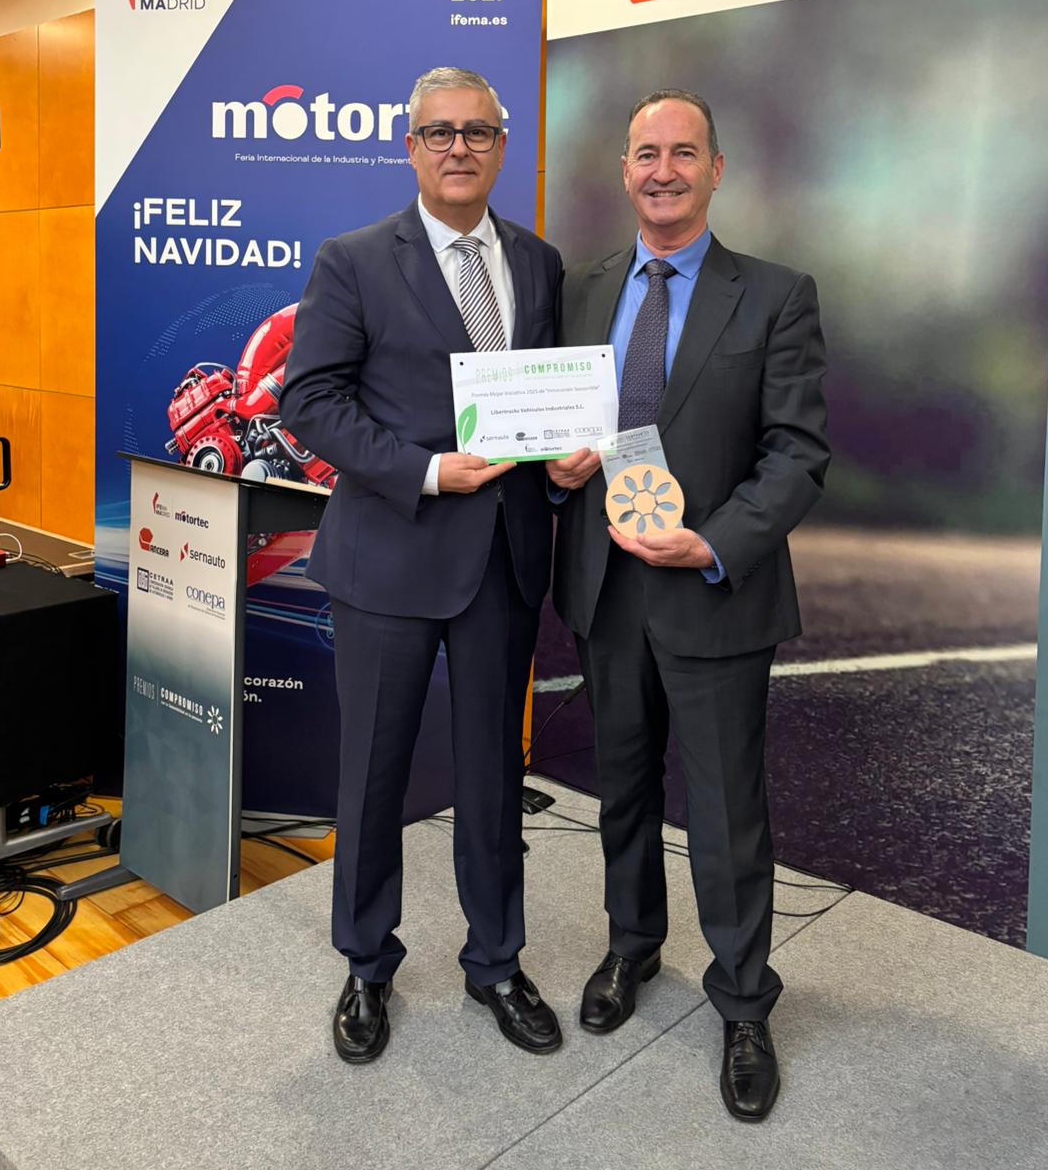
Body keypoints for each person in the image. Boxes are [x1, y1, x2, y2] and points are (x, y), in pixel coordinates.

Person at [546, 88, 829, 1122]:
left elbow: (798, 452)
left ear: (716, 169)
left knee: (725, 810)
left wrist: (715, 541)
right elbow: (557, 432)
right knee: (621, 792)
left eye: (682, 152)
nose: (661, 170)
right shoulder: (581, 291)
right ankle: (632, 947)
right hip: (608, 589)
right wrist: (556, 474)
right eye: (645, 153)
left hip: (714, 591)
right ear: (624, 170)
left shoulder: (777, 295)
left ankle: (744, 1001)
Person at [279, 65, 564, 1064]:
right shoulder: (354, 260)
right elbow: (309, 401)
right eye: (438, 132)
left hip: (503, 560)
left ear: (501, 145)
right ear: (410, 147)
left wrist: (564, 458)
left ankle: (497, 962)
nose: (458, 148)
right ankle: (367, 964)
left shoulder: (539, 262)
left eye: (477, 131)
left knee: (493, 775)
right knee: (374, 775)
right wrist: (428, 470)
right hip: (390, 556)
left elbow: (547, 399)